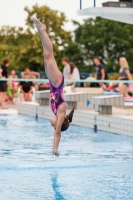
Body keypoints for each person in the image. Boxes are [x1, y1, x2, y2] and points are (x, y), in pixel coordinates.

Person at [32, 17, 75, 156]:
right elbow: (58, 133)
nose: (52, 124)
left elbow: (57, 131)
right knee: (49, 56)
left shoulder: (56, 112)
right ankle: (43, 30)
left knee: (46, 56)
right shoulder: (61, 112)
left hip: (52, 83)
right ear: (59, 123)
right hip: (57, 83)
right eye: (54, 125)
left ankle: (41, 32)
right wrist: (54, 149)